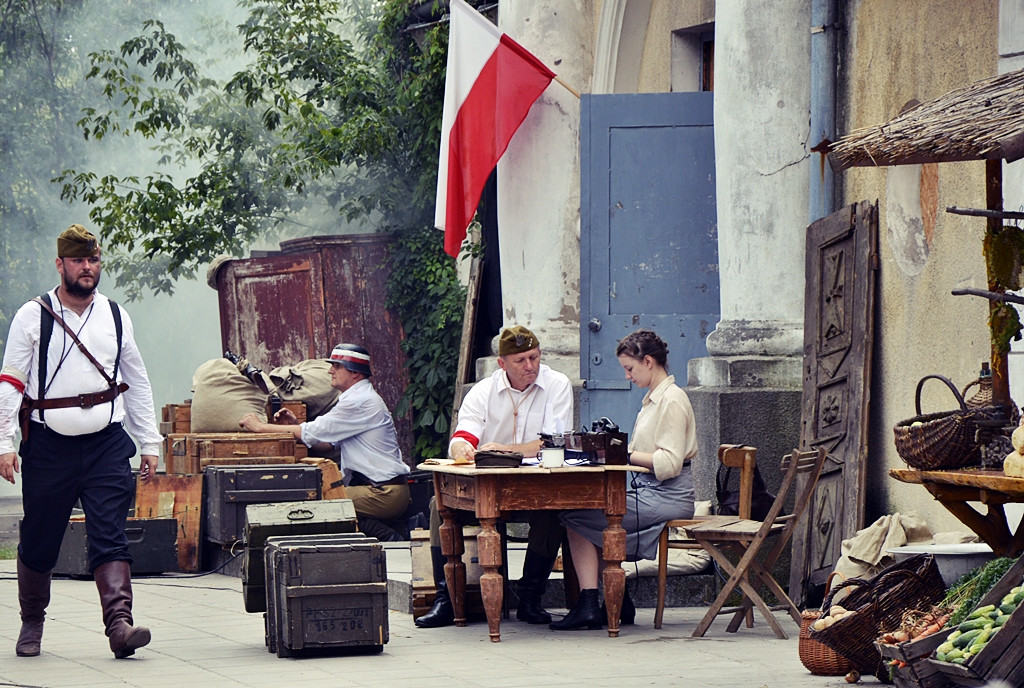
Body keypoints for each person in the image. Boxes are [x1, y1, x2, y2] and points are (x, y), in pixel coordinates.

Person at [0, 224, 162, 658]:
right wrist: (4, 441)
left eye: (93, 260)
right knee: (40, 537)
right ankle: (32, 622)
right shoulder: (32, 315)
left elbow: (137, 380)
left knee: (111, 534)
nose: (87, 267)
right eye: (78, 260)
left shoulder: (114, 315)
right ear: (61, 264)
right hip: (49, 445)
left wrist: (150, 441)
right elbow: (11, 381)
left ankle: (120, 626)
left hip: (107, 442)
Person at [416, 325, 573, 629]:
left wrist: (504, 449)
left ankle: (530, 598)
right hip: (486, 486)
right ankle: (447, 599)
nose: (531, 366)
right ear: (502, 364)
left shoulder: (557, 384)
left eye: (534, 357)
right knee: (439, 506)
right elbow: (463, 436)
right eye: (521, 361)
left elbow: (553, 443)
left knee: (556, 512)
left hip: (536, 486)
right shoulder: (483, 390)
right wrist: (462, 448)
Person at [550, 329, 696, 630]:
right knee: (592, 514)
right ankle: (618, 602)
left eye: (630, 368)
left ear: (649, 361)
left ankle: (591, 602)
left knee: (576, 515)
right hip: (654, 493)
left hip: (668, 497)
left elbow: (668, 464)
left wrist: (622, 454)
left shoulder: (672, 400)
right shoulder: (654, 400)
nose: (628, 376)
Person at [239, 342, 411, 542]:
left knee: (319, 505)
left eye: (337, 366)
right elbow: (328, 445)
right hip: (381, 491)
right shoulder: (357, 398)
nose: (330, 371)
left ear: (355, 374)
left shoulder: (359, 401)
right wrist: (297, 426)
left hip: (383, 493)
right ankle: (402, 527)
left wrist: (261, 427)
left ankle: (393, 537)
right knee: (326, 503)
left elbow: (314, 432)